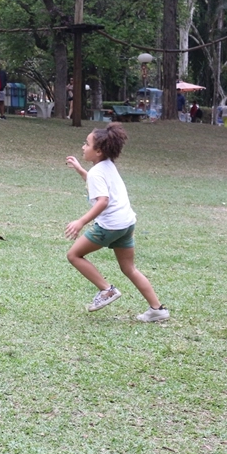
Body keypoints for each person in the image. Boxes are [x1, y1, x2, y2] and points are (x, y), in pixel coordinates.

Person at [65, 123, 169, 322]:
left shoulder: (97, 172)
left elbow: (103, 200)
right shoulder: (106, 166)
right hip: (127, 224)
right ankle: (157, 309)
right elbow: (98, 186)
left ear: (99, 150)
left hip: (110, 226)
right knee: (129, 268)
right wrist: (80, 170)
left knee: (74, 255)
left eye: (86, 144)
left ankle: (107, 290)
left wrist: (81, 221)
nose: (83, 147)